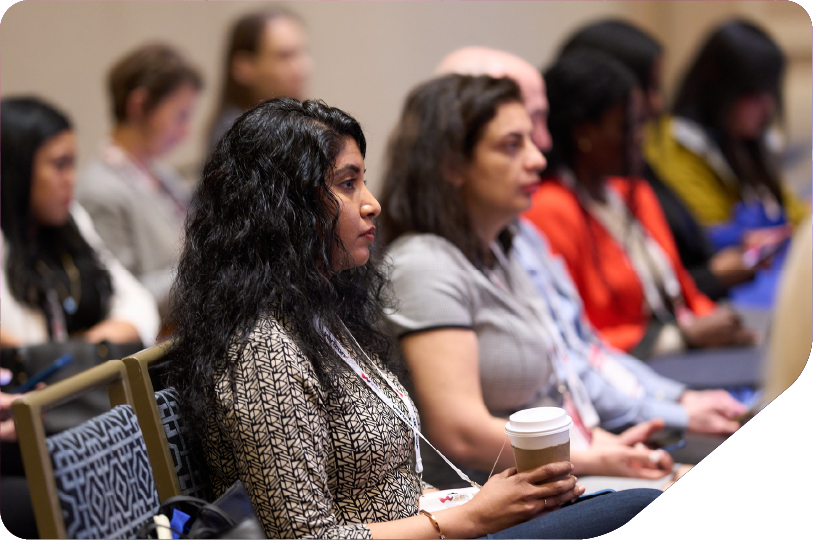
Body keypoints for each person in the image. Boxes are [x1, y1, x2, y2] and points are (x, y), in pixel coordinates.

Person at [164, 98, 660, 539]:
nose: (371, 203)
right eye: (347, 183)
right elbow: (304, 536)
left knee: (634, 504)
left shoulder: (318, 317)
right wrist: (472, 517)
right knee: (645, 507)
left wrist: (483, 503)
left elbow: (386, 490)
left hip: (440, 522)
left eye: (363, 179)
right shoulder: (263, 350)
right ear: (284, 209)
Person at [381, 74, 691, 497]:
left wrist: (608, 448)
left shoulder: (504, 250)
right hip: (479, 500)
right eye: (512, 145)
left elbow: (566, 379)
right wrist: (591, 457)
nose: (537, 159)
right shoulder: (423, 266)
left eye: (531, 140)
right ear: (452, 164)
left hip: (552, 476)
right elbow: (461, 433)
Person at [435, 46, 746, 439]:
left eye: (540, 124)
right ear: (452, 147)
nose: (541, 148)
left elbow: (584, 351)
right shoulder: (443, 258)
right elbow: (566, 374)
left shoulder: (522, 233)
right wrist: (667, 412)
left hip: (600, 423)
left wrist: (675, 402)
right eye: (518, 138)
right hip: (563, 448)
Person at [524, 51, 756, 359]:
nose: (640, 137)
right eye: (626, 126)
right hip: (631, 367)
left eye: (641, 124)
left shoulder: (634, 191)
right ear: (583, 132)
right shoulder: (549, 208)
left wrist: (716, 321)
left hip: (688, 350)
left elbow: (681, 289)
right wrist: (681, 337)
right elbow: (577, 337)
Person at [559, 19, 757, 300]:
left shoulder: (633, 175)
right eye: (648, 87)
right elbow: (621, 302)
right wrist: (713, 278)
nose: (657, 104)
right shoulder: (564, 200)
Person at [1, 97, 159, 348]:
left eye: (72, 164)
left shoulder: (72, 218)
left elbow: (138, 302)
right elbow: (25, 353)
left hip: (92, 375)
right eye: (59, 165)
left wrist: (88, 349)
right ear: (16, 170)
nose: (71, 178)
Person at [644, 19, 809, 249]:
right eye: (754, 92)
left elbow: (794, 213)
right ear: (717, 86)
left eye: (770, 92)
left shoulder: (749, 142)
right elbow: (714, 238)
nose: (767, 106)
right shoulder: (673, 146)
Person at [76, 44, 202, 320]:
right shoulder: (100, 191)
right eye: (180, 115)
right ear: (139, 105)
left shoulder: (161, 173)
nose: (185, 131)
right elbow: (124, 296)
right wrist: (212, 268)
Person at [206, 8, 311, 152]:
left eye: (302, 52)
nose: (301, 68)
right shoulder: (237, 138)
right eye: (284, 56)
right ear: (243, 67)